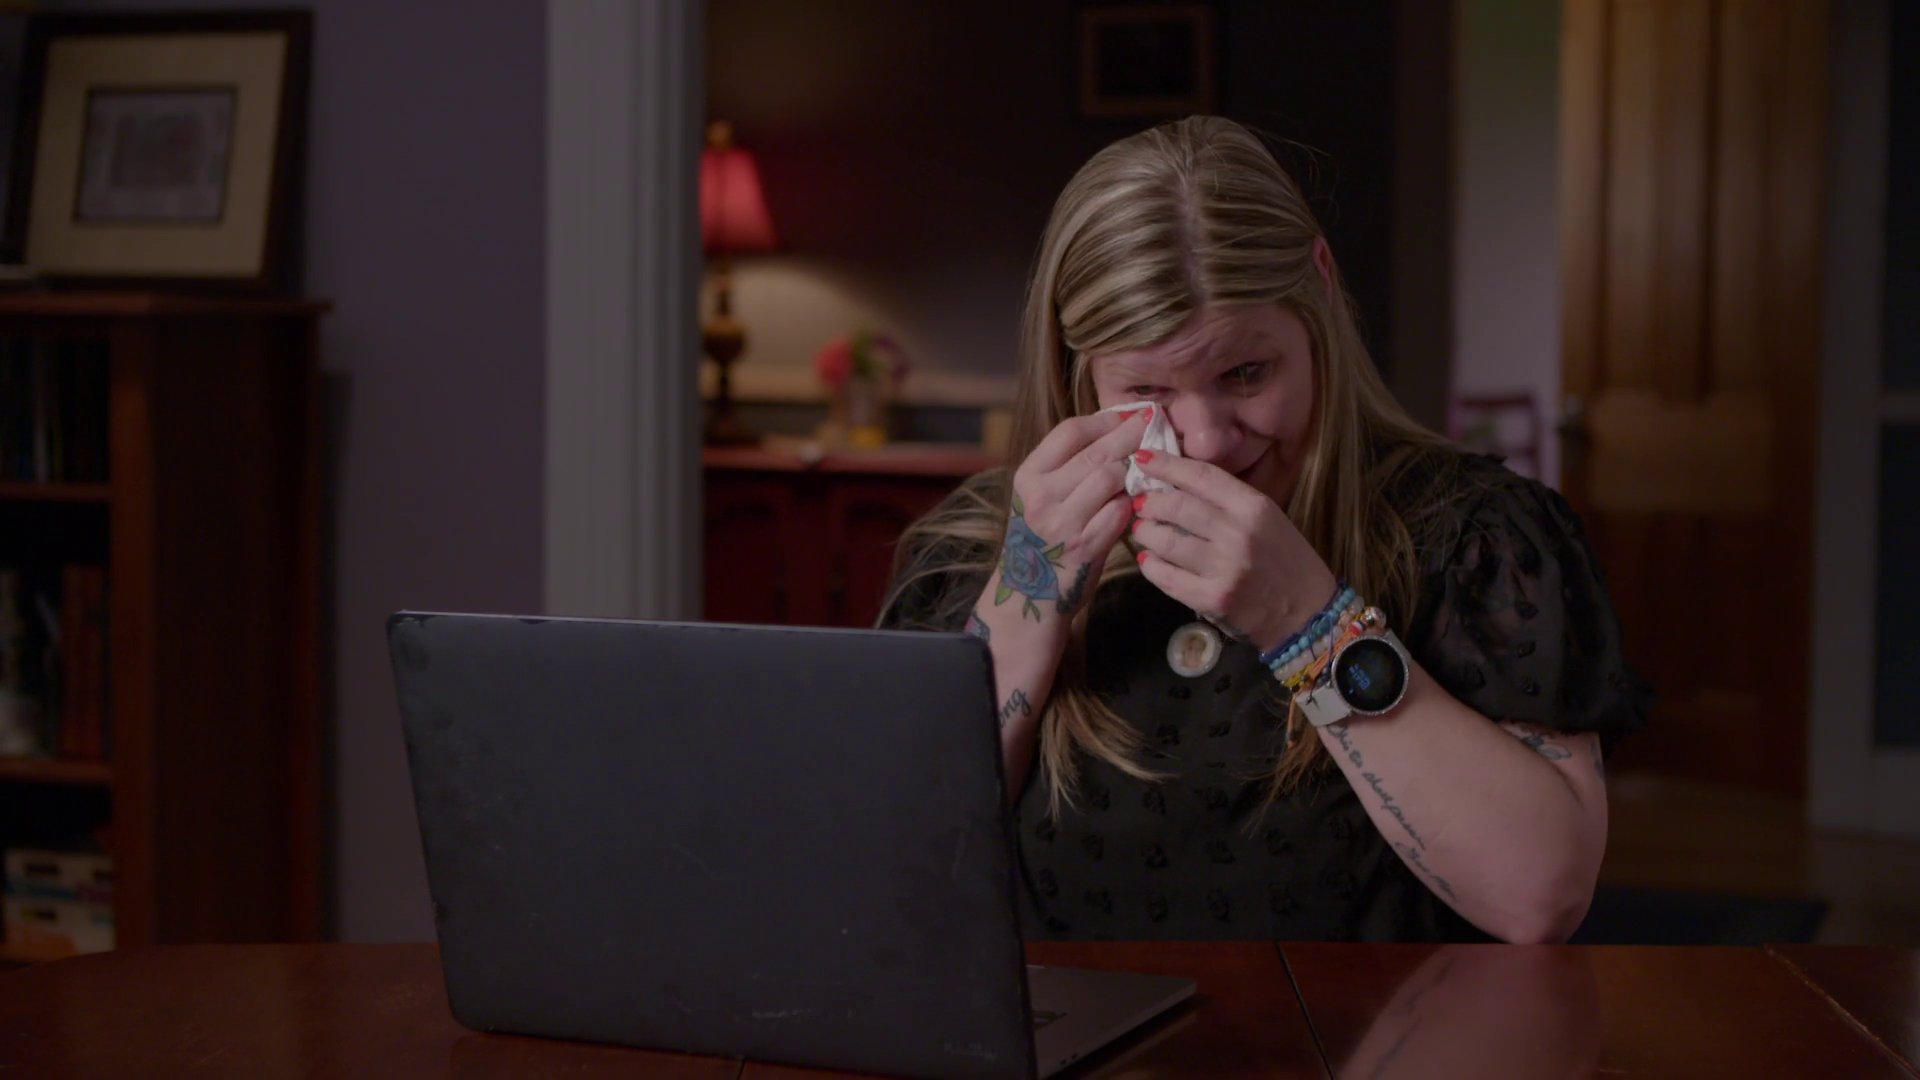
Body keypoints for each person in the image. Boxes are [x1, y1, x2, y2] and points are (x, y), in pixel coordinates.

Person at [878, 116, 1652, 945]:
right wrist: (1027, 604)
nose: (1208, 441)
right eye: (1147, 391)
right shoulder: (970, 551)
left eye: (1246, 373)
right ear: (1081, 373)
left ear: (1319, 290)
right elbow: (889, 878)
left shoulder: (1476, 537)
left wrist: (1307, 622)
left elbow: (1541, 899)